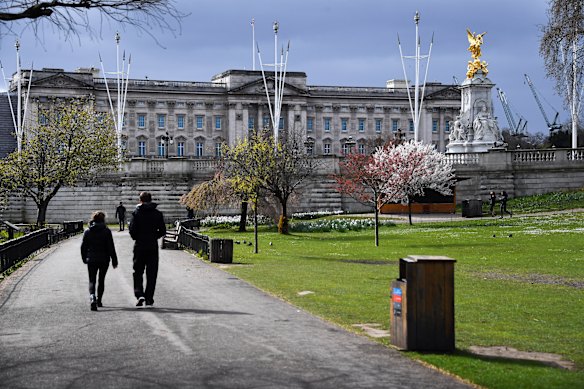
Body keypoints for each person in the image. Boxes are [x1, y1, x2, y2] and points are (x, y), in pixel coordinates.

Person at [129, 192, 166, 307]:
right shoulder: (157, 213)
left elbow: (132, 230)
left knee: (138, 271)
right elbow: (163, 231)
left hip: (140, 245)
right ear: (150, 199)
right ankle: (149, 297)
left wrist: (138, 237)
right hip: (152, 245)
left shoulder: (136, 213)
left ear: (140, 200)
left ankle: (139, 294)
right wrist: (154, 236)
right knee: (152, 273)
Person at [80, 211, 118, 311]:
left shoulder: (88, 231)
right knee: (101, 280)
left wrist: (84, 258)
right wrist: (114, 260)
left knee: (92, 279)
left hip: (91, 258)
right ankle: (99, 300)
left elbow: (83, 247)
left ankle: (92, 297)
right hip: (104, 259)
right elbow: (111, 247)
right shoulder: (106, 231)